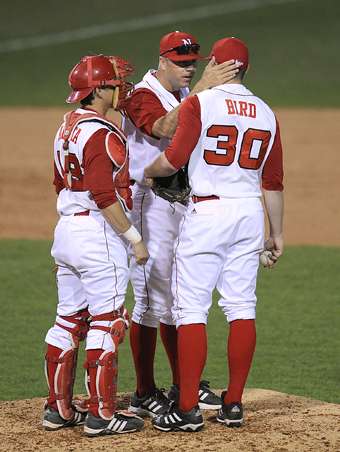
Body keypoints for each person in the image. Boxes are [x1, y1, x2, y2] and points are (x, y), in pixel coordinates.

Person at [144, 37, 284, 432]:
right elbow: (272, 182)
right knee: (242, 306)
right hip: (248, 213)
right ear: (247, 70)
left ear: (215, 66)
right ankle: (233, 404)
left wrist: (147, 172)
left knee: (191, 309)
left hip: (207, 213)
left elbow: (174, 158)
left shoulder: (199, 102)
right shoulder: (267, 113)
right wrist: (278, 234)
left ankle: (187, 408)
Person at [123, 31, 241, 418]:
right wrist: (204, 88)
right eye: (181, 61)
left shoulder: (178, 94)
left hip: (177, 203)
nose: (189, 68)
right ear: (162, 60)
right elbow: (162, 128)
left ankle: (181, 385)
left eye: (194, 62)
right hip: (148, 204)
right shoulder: (142, 94)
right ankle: (143, 390)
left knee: (175, 299)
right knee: (149, 301)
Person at [43, 54, 148, 437]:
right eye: (115, 83)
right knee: (109, 322)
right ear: (99, 89)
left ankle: (58, 409)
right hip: (98, 235)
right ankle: (102, 416)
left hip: (67, 230)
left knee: (67, 320)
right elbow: (105, 196)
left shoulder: (66, 127)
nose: (121, 88)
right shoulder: (102, 134)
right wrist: (134, 240)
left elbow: (60, 182)